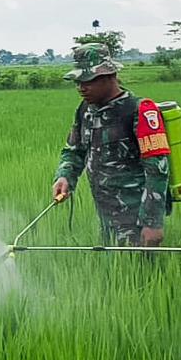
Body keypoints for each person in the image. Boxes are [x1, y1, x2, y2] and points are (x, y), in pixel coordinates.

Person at [51, 44, 170, 247]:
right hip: (105, 211)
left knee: (139, 273)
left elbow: (157, 169)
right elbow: (74, 150)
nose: (81, 88)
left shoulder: (138, 110)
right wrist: (64, 176)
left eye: (87, 81)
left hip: (136, 216)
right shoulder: (85, 110)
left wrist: (152, 222)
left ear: (108, 76)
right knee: (114, 269)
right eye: (78, 82)